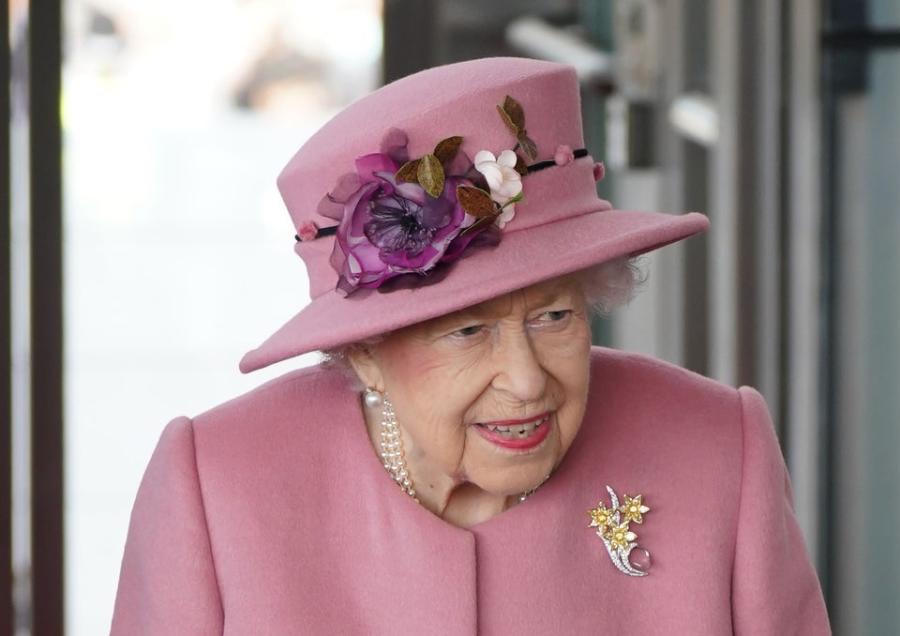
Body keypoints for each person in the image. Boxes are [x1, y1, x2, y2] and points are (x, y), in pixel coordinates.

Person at [110, 56, 831, 635]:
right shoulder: (218, 487)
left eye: (554, 317)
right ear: (364, 352)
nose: (525, 381)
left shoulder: (714, 449)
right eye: (467, 330)